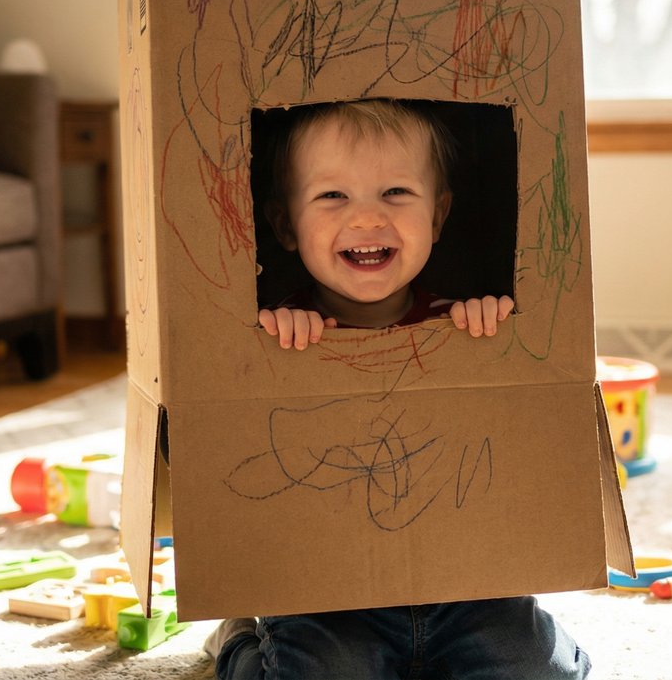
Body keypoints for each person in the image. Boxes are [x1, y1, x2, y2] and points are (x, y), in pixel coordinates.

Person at [205, 98, 592, 679]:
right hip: (328, 598)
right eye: (333, 195)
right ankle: (236, 638)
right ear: (285, 224)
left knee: (541, 671)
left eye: (395, 194)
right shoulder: (276, 333)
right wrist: (280, 327)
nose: (366, 219)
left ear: (438, 216)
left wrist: (490, 326)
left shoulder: (459, 323)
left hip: (469, 586)